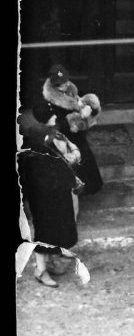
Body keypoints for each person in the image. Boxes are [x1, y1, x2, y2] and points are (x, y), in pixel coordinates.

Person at [17, 125, 82, 287]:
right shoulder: (31, 155)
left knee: (57, 229)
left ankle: (53, 258)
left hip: (57, 196)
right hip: (42, 200)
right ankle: (40, 270)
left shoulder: (51, 143)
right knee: (44, 233)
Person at [34, 63, 102, 194]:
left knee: (86, 166)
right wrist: (80, 115)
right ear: (54, 85)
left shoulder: (71, 90)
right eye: (61, 84)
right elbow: (56, 126)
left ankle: (89, 187)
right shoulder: (47, 103)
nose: (65, 84)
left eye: (66, 81)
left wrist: (90, 106)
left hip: (78, 137)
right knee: (73, 170)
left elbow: (84, 99)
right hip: (65, 140)